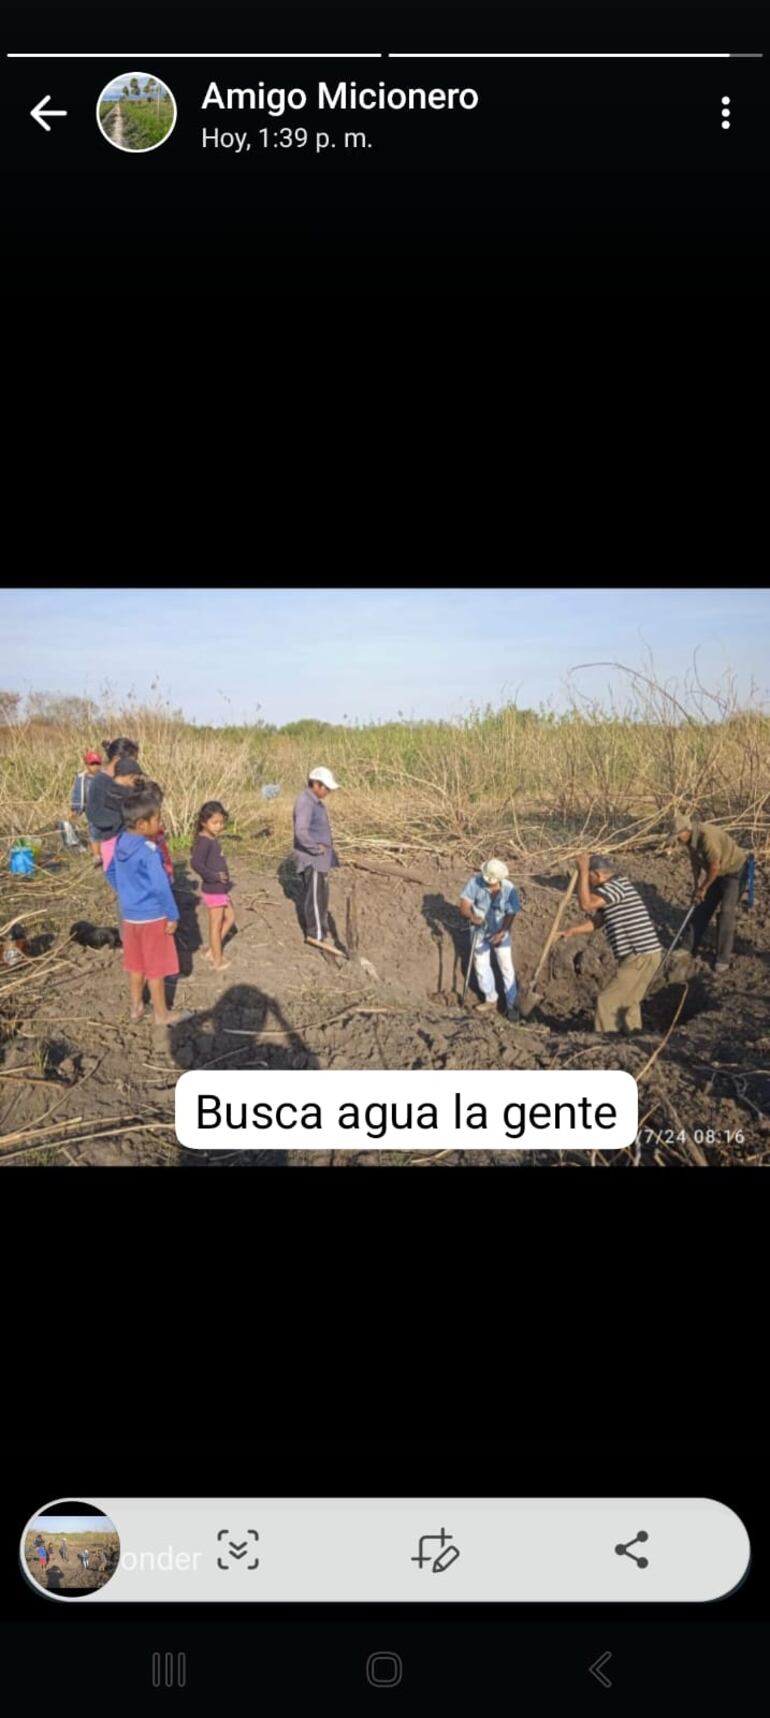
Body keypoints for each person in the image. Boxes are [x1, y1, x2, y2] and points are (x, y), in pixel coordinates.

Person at [105, 781, 192, 1027]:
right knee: (156, 968)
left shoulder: (121, 842)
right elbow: (161, 887)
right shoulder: (149, 850)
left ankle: (136, 1007)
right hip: (153, 916)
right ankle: (162, 1014)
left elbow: (109, 870)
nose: (160, 824)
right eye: (157, 820)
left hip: (130, 916)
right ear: (142, 824)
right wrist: (172, 915)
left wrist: (125, 891)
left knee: (136, 964)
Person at [558, 852, 662, 1035]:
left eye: (590, 878)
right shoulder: (614, 890)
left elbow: (586, 905)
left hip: (639, 954)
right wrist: (572, 931)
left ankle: (606, 1042)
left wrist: (582, 871)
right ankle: (632, 1039)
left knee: (607, 1002)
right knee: (629, 1002)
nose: (589, 884)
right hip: (646, 954)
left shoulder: (616, 886)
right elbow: (598, 921)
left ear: (597, 874)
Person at [671, 812, 750, 973]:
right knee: (701, 906)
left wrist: (703, 888)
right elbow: (695, 863)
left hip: (734, 872)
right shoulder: (690, 840)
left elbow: (715, 867)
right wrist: (696, 886)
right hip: (716, 872)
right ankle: (688, 947)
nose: (677, 841)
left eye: (678, 837)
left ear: (686, 831)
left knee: (726, 912)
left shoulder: (707, 837)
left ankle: (723, 957)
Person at [458, 859, 522, 1019]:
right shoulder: (475, 882)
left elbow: (511, 912)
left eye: (493, 883)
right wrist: (471, 917)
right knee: (480, 965)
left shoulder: (509, 889)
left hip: (501, 931)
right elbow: (464, 906)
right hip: (479, 931)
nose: (489, 885)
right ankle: (491, 998)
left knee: (506, 967)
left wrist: (503, 931)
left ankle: (511, 1004)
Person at [292, 767, 341, 950]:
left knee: (322, 897)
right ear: (315, 784)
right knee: (314, 898)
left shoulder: (316, 802)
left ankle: (322, 931)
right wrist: (316, 849)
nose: (328, 792)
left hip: (321, 860)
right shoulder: (305, 802)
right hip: (312, 859)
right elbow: (301, 832)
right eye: (326, 788)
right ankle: (316, 934)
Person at [191, 801, 236, 972]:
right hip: (214, 890)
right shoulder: (204, 842)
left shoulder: (211, 839)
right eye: (214, 823)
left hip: (221, 890)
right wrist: (213, 876)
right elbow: (196, 863)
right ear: (204, 822)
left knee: (230, 918)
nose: (219, 826)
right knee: (215, 926)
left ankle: (212, 950)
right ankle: (217, 960)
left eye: (221, 822)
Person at [86, 739, 141, 871]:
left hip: (127, 839)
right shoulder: (100, 781)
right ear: (117, 759)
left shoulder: (127, 780)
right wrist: (123, 819)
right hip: (111, 840)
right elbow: (94, 814)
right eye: (132, 760)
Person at [70, 750, 103, 860]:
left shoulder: (103, 778)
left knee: (103, 831)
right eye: (92, 764)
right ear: (87, 765)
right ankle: (96, 855)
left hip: (103, 809)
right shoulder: (82, 779)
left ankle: (103, 853)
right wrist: (76, 809)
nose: (95, 767)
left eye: (97, 764)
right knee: (94, 831)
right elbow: (78, 794)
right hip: (90, 809)